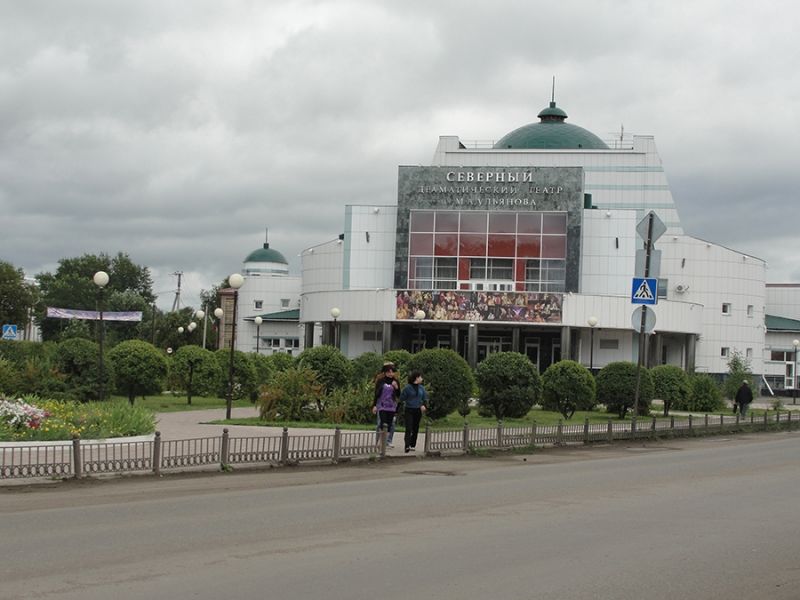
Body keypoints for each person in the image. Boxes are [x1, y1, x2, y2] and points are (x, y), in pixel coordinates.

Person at [399, 370, 427, 453]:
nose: (422, 378)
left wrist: (423, 405)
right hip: (409, 409)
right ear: (416, 378)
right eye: (420, 377)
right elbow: (402, 398)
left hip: (418, 410)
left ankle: (413, 444)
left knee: (415, 428)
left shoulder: (421, 388)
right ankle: (407, 445)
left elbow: (424, 398)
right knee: (409, 427)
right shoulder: (407, 388)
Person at [373, 362, 399, 447]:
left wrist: (396, 387)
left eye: (392, 372)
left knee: (390, 423)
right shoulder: (380, 381)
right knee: (382, 422)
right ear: (385, 372)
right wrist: (374, 405)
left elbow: (399, 395)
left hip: (391, 406)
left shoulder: (396, 381)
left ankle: (386, 441)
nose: (391, 374)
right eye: (389, 372)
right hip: (382, 405)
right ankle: (380, 441)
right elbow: (376, 394)